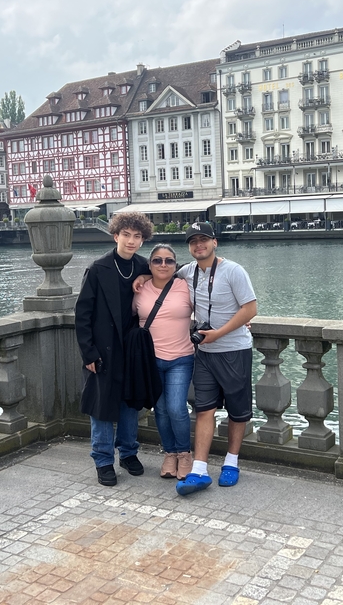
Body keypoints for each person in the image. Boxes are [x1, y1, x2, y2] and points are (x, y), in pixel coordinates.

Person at [175, 222, 257, 496]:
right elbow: (158, 275)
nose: (198, 245)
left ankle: (231, 463)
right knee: (204, 409)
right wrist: (141, 278)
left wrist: (218, 333)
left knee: (237, 410)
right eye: (193, 241)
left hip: (234, 350)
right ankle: (199, 470)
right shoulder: (187, 272)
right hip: (205, 354)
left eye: (204, 240)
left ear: (214, 242)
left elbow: (250, 308)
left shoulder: (233, 271)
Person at [75, 211, 154, 486]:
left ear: (142, 240)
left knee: (130, 404)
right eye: (127, 235)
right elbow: (82, 314)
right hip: (103, 350)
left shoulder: (145, 267)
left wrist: (145, 278)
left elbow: (173, 275)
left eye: (137, 236)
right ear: (115, 235)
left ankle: (129, 453)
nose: (131, 241)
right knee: (102, 407)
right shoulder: (98, 269)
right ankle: (103, 459)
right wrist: (89, 353)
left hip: (132, 348)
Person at [132, 244, 194, 480]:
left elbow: (210, 306)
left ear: (176, 265)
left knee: (177, 408)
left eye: (169, 261)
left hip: (181, 357)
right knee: (160, 410)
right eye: (157, 261)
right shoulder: (139, 289)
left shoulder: (185, 287)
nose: (163, 265)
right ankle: (169, 453)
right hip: (150, 360)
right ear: (149, 265)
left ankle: (184, 454)